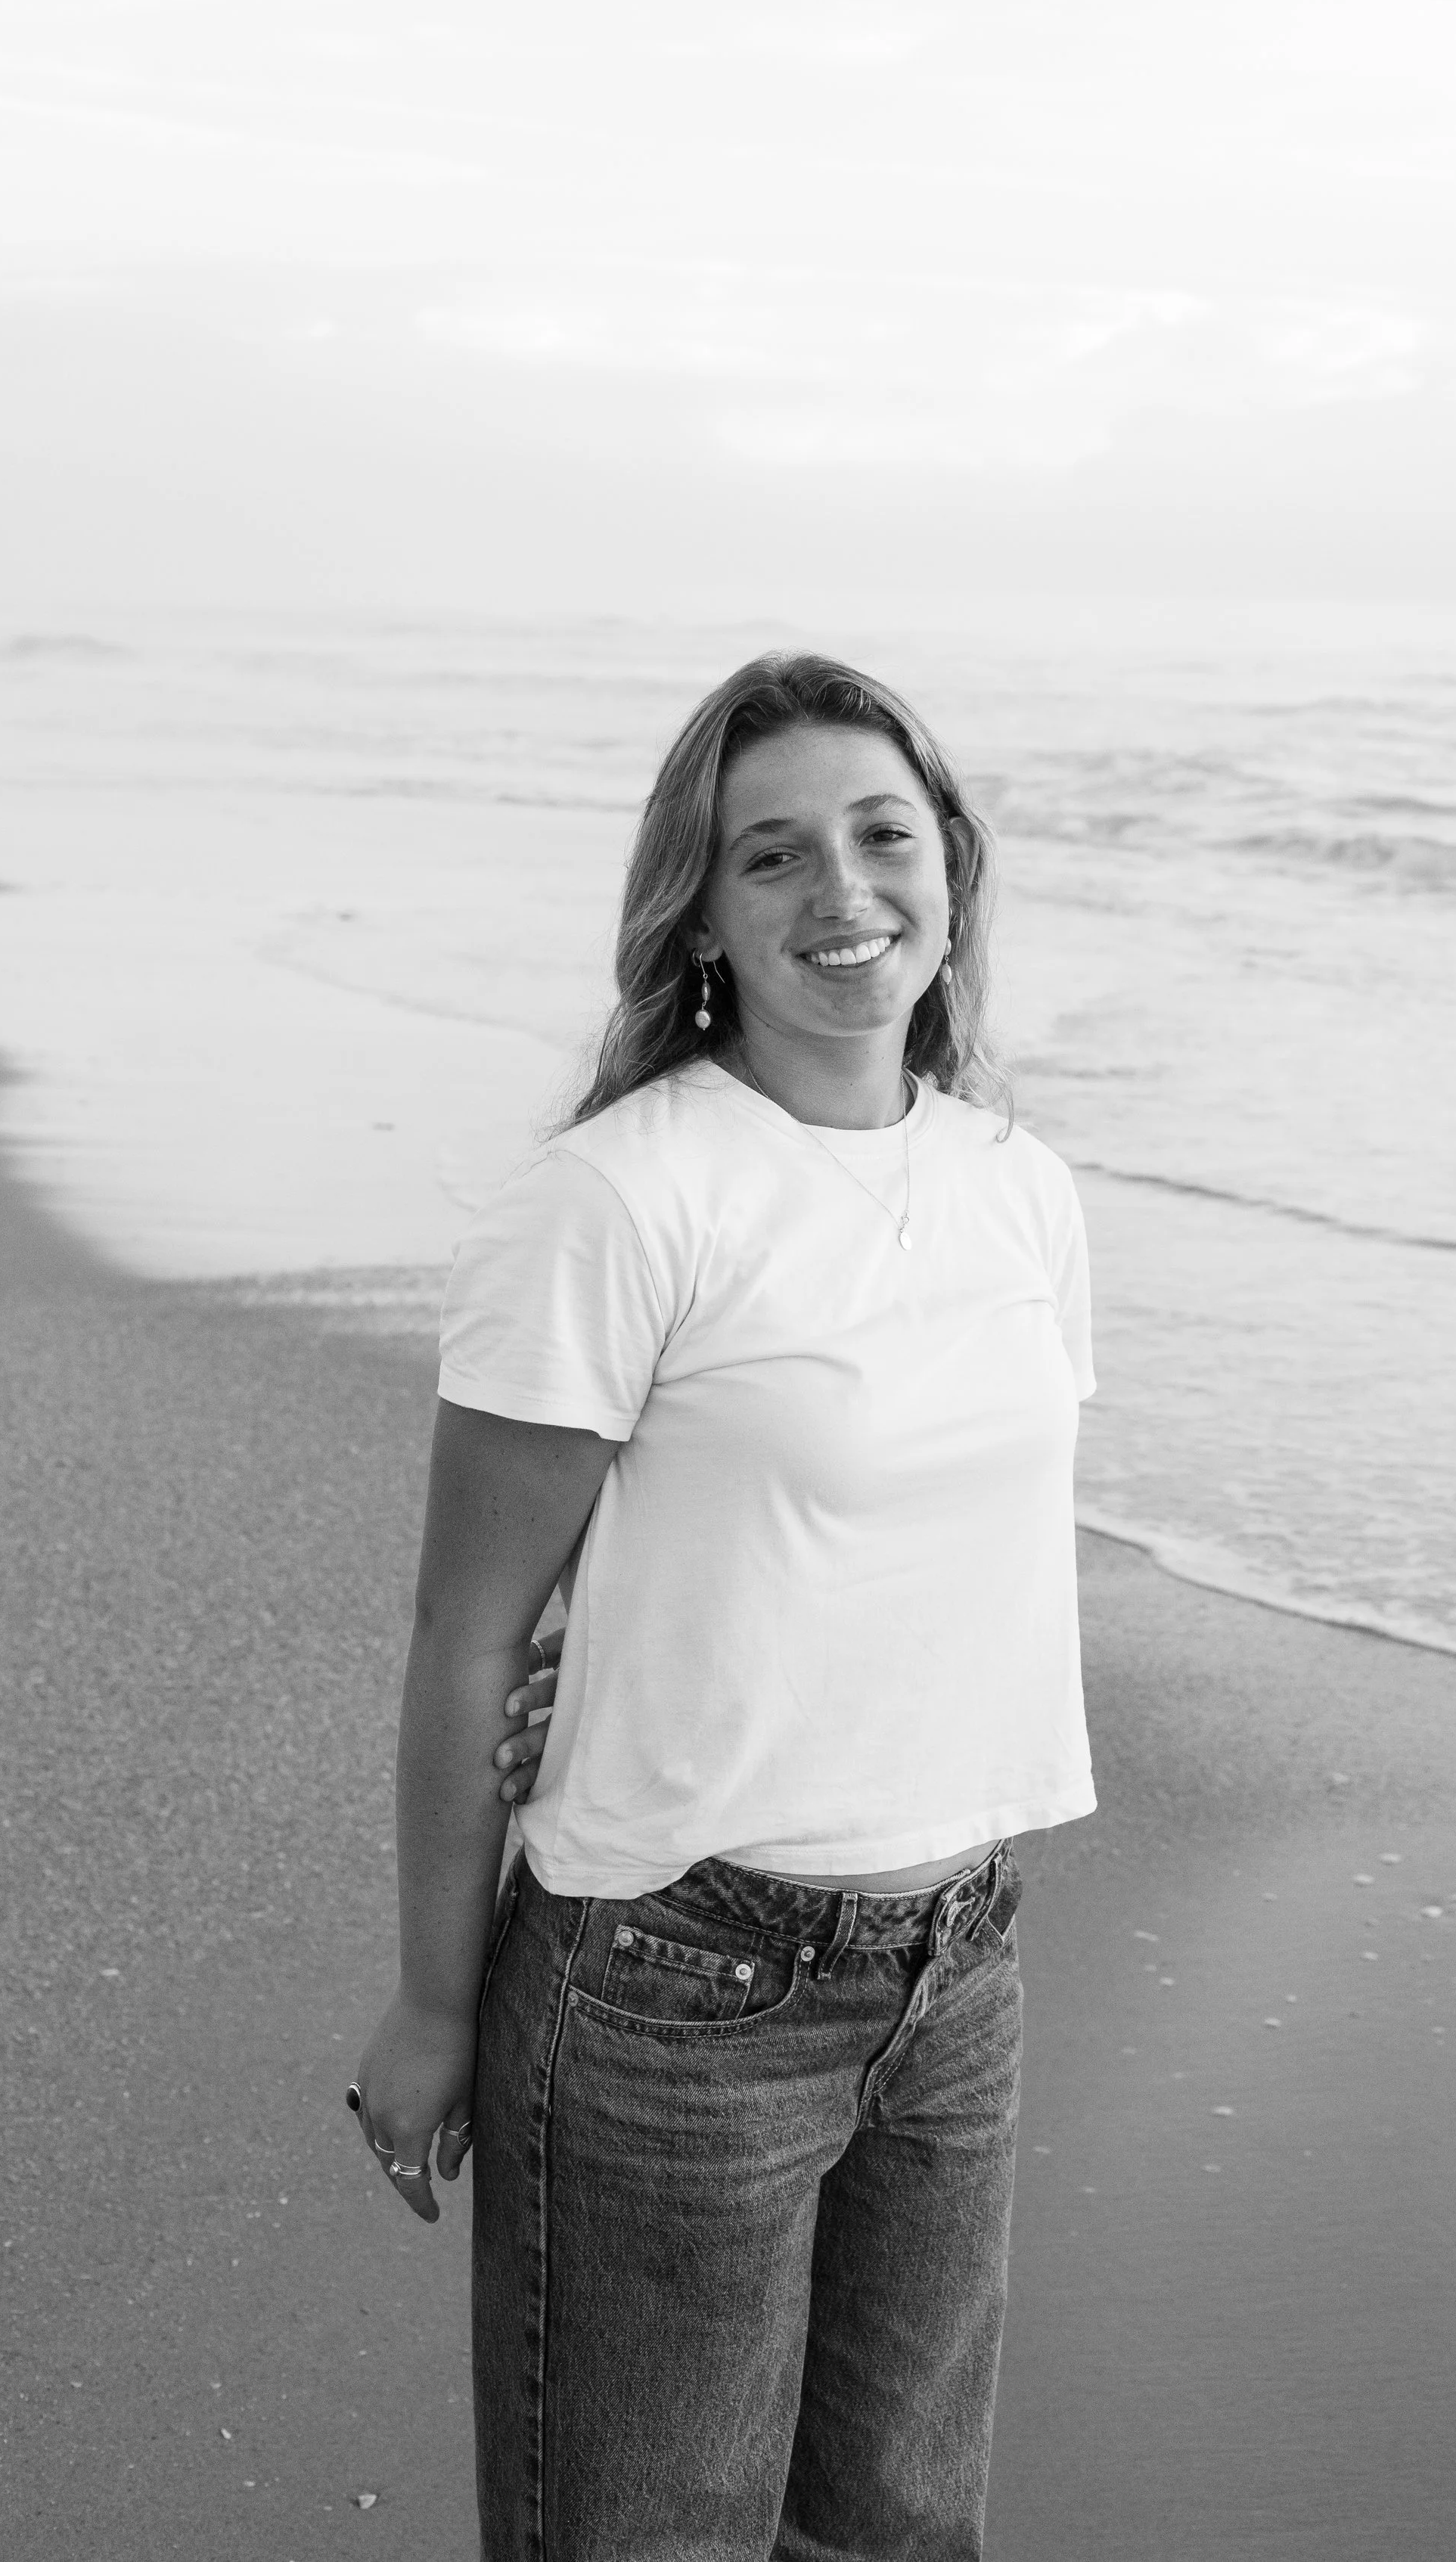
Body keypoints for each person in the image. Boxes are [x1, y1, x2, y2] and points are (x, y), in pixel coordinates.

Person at [350, 651, 1097, 2561]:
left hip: (957, 1965)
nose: (841, 896)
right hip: (670, 1989)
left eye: (880, 835)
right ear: (699, 913)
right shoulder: (617, 1202)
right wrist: (437, 2001)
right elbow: (461, 1635)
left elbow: (900, 1561)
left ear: (951, 867)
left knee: (899, 2534)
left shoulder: (1021, 1190)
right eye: (772, 857)